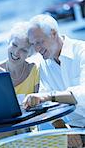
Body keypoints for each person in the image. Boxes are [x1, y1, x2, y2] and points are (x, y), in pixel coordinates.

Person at [23, 14, 85, 147]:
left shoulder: (82, 51)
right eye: (33, 44)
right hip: (77, 128)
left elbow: (83, 94)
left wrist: (47, 96)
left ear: (53, 33)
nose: (37, 49)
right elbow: (47, 107)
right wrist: (62, 129)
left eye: (39, 42)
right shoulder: (43, 64)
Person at [0, 21, 39, 148]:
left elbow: (40, 106)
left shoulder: (34, 71)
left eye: (23, 50)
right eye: (14, 45)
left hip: (25, 128)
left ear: (30, 53)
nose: (16, 52)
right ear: (8, 43)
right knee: (4, 132)